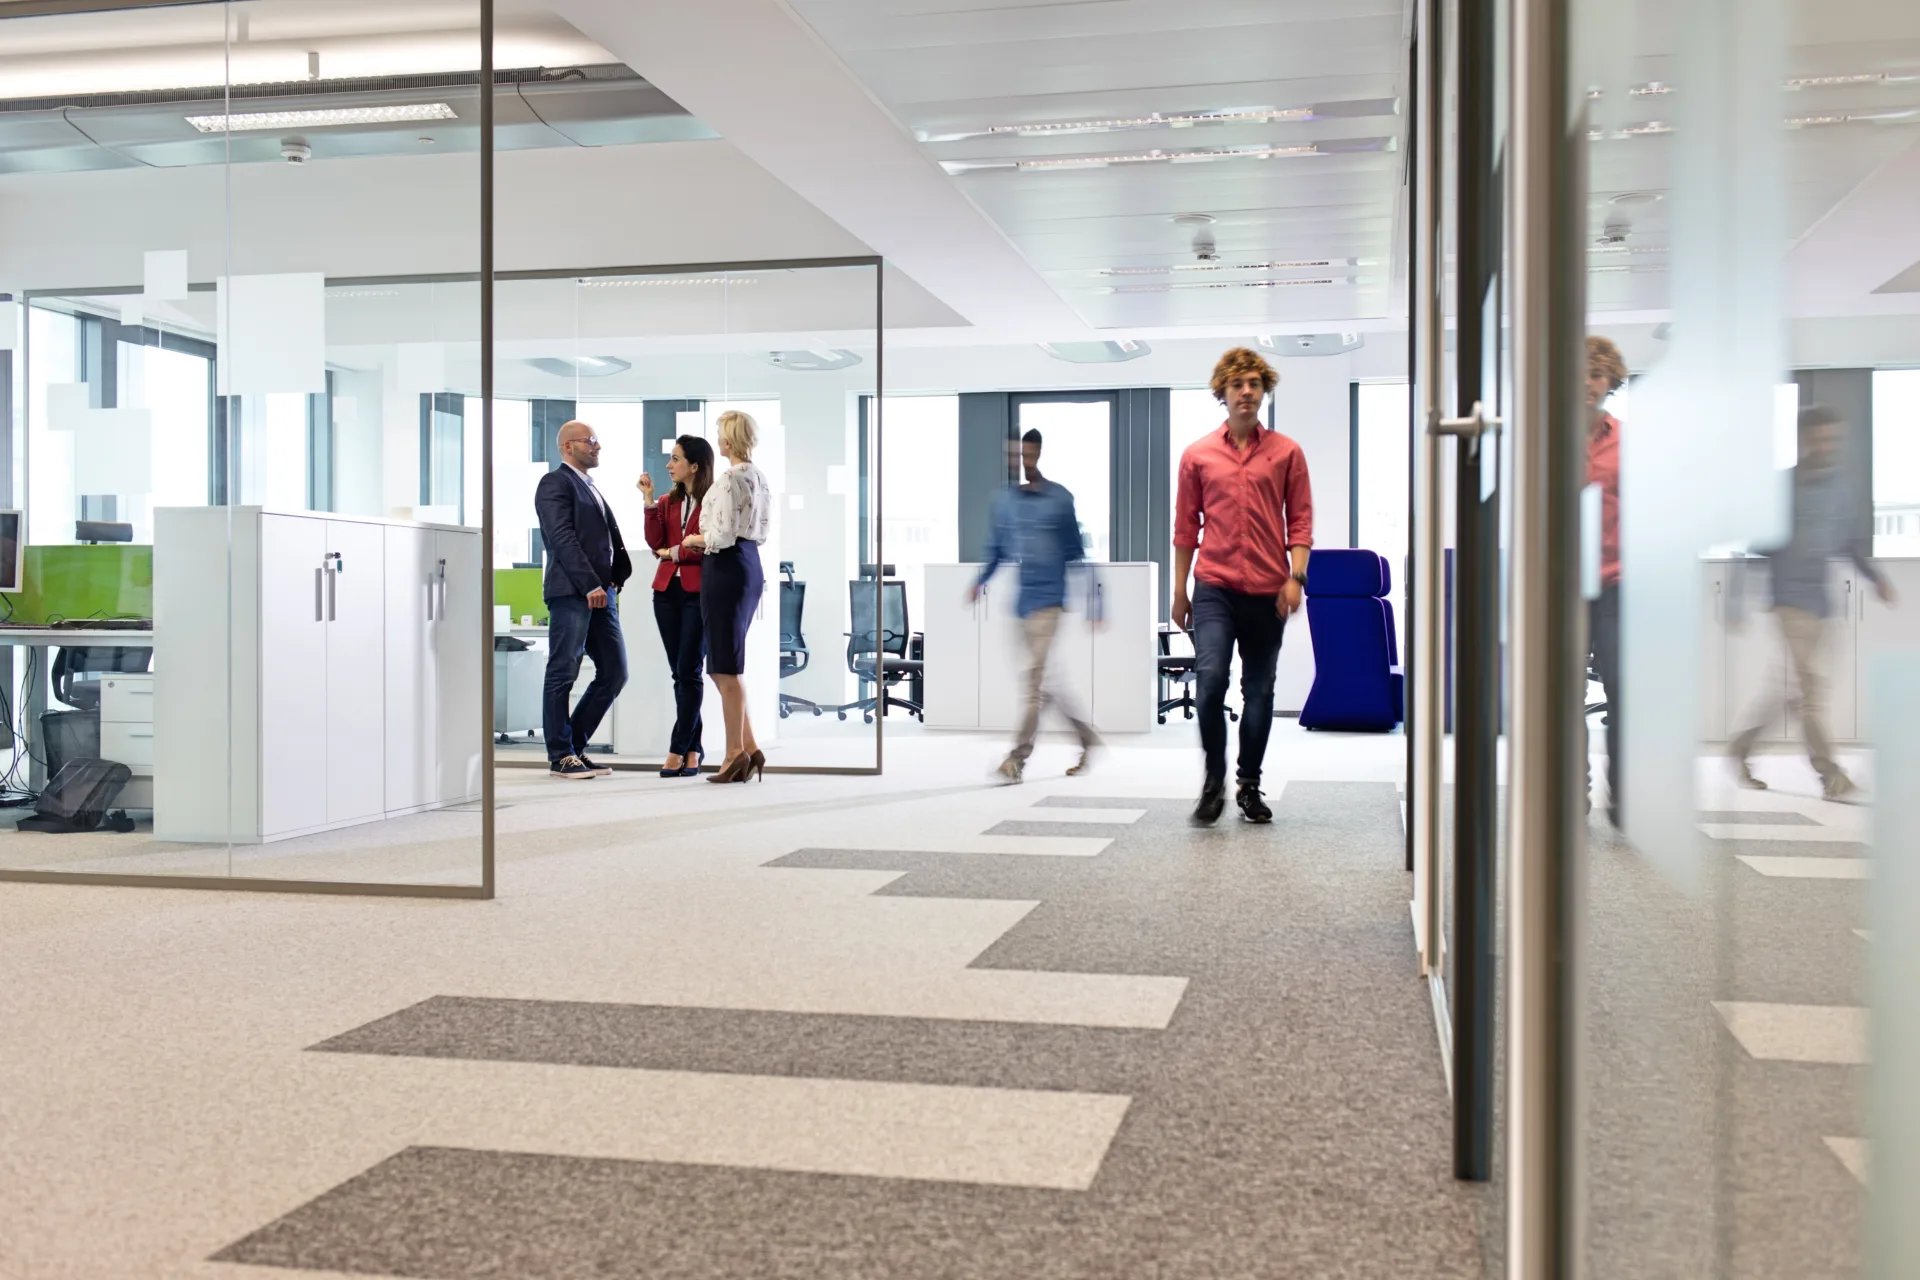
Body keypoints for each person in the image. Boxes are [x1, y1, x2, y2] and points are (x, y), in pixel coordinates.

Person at [1173, 347, 1313, 826]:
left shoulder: (1286, 453)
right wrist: (1178, 590)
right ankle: (1213, 784)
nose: (1247, 392)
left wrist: (1296, 578)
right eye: (1237, 385)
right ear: (1223, 394)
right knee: (1210, 684)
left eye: (1254, 383)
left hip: (1267, 591)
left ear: (1264, 391)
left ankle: (1248, 785)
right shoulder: (1197, 456)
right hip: (1213, 586)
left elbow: (1299, 521)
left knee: (1260, 691)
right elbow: (1184, 528)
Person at [1731, 404, 1897, 801]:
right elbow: (1754, 546)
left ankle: (1740, 749)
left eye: (1831, 438)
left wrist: (1876, 579)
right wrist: (1734, 601)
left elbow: (1850, 545)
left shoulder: (1841, 488)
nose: (1825, 445)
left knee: (1793, 691)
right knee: (1811, 692)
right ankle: (1831, 775)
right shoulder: (1781, 488)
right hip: (1789, 602)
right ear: (1802, 439)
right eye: (1818, 438)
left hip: (1822, 604)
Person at [971, 428, 1101, 784]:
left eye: (1026, 455)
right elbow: (996, 550)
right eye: (1014, 456)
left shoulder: (1060, 499)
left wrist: (1096, 600)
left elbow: (1078, 552)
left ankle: (1015, 760)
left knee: (1033, 683)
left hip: (1049, 603)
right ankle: (1087, 738)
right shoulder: (1005, 502)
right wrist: (979, 581)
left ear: (1038, 454)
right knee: (1042, 685)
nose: (1020, 462)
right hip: (1021, 605)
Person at [536, 420, 632, 780]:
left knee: (615, 672)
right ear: (566, 447)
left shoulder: (589, 486)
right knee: (563, 670)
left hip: (601, 592)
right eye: (590, 441)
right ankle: (560, 753)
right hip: (574, 591)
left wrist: (611, 580)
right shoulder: (554, 483)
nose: (597, 447)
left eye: (597, 441)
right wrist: (589, 583)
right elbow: (561, 537)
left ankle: (573, 745)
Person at [683, 410, 771, 783]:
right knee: (725, 663)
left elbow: (718, 537)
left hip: (725, 568)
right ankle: (749, 749)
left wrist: (691, 539)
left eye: (720, 435)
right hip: (750, 565)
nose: (717, 440)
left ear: (729, 441)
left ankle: (734, 752)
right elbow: (759, 531)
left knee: (724, 667)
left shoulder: (727, 481)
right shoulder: (759, 478)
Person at [640, 435, 715, 778]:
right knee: (681, 673)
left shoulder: (714, 500)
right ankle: (694, 749)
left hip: (697, 592)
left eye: (675, 459)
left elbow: (707, 547)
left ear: (694, 465)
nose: (669, 465)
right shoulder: (669, 501)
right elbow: (655, 543)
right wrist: (648, 501)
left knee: (688, 670)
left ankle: (677, 747)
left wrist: (676, 551)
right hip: (666, 591)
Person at [1584, 334, 1626, 826]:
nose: (1587, 385)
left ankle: (1626, 789)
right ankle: (1575, 787)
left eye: (1595, 375)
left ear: (1611, 381)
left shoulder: (1627, 441)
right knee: (1563, 692)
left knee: (1623, 687)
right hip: (1563, 586)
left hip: (1618, 582)